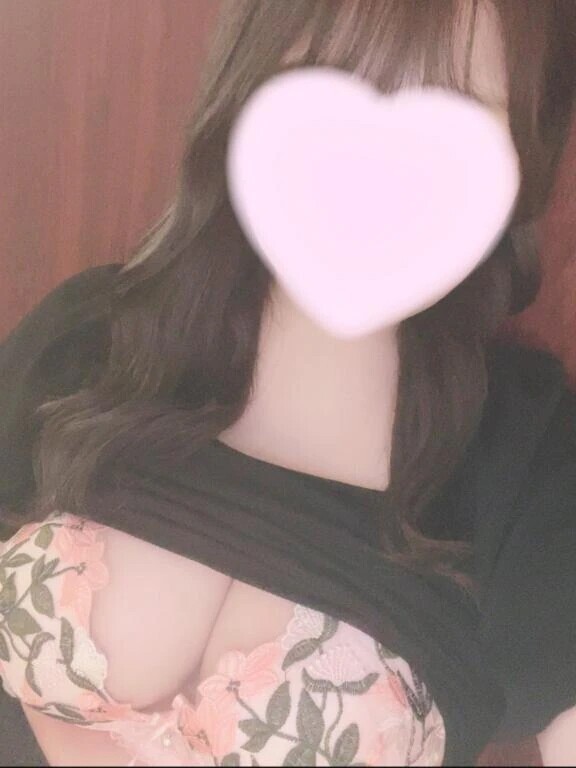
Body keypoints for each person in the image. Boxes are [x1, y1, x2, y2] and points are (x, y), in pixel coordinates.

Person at [1, 1, 575, 765]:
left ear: (524, 157)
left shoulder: (532, 465)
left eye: (455, 112)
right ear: (242, 89)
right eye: (324, 82)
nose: (372, 167)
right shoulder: (86, 335)